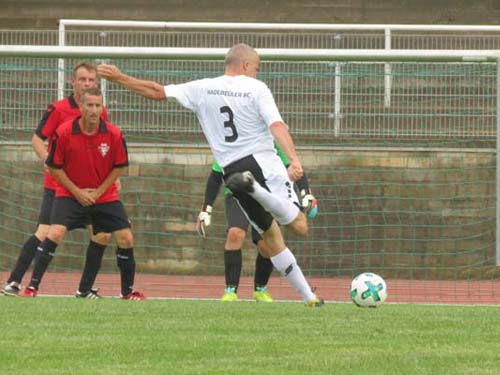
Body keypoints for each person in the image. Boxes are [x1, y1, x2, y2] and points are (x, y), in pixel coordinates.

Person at [98, 43, 324, 306]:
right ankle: (257, 190)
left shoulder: (202, 87)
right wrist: (294, 159)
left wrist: (120, 77)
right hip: (263, 164)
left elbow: (157, 92)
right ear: (246, 65)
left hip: (232, 171)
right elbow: (276, 125)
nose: (256, 74)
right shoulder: (256, 88)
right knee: (299, 224)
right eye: (257, 69)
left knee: (271, 238)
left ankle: (309, 297)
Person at [2, 62, 115, 299]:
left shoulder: (99, 110)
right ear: (72, 82)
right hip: (60, 186)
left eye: (91, 80)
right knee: (45, 232)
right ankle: (15, 281)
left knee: (102, 234)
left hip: (90, 187)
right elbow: (37, 139)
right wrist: (49, 161)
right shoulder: (58, 109)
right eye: (82, 80)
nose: (86, 84)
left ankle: (84, 289)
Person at [21, 87, 146, 300]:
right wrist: (77, 192)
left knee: (125, 237)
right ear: (81, 107)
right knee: (55, 232)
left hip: (104, 196)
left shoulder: (114, 134)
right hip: (70, 194)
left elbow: (119, 167)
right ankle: (32, 287)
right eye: (89, 105)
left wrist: (98, 192)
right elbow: (54, 167)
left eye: (98, 105)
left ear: (102, 107)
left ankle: (126, 292)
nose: (94, 110)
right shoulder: (64, 132)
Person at [197, 144, 318, 302]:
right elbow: (215, 176)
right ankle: (230, 290)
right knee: (235, 233)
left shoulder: (270, 142)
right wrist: (207, 208)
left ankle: (260, 288)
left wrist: (305, 192)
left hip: (265, 194)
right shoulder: (228, 144)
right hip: (236, 194)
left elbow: (293, 167)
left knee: (265, 244)